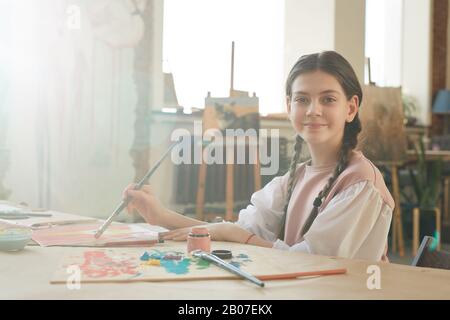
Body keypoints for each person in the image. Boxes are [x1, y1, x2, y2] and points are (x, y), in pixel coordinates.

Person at [124, 51, 394, 262]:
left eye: (328, 99)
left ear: (351, 108)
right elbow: (236, 229)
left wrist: (239, 236)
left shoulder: (360, 183)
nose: (313, 110)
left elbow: (315, 261)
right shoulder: (294, 178)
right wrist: (160, 215)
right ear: (289, 106)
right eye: (302, 99)